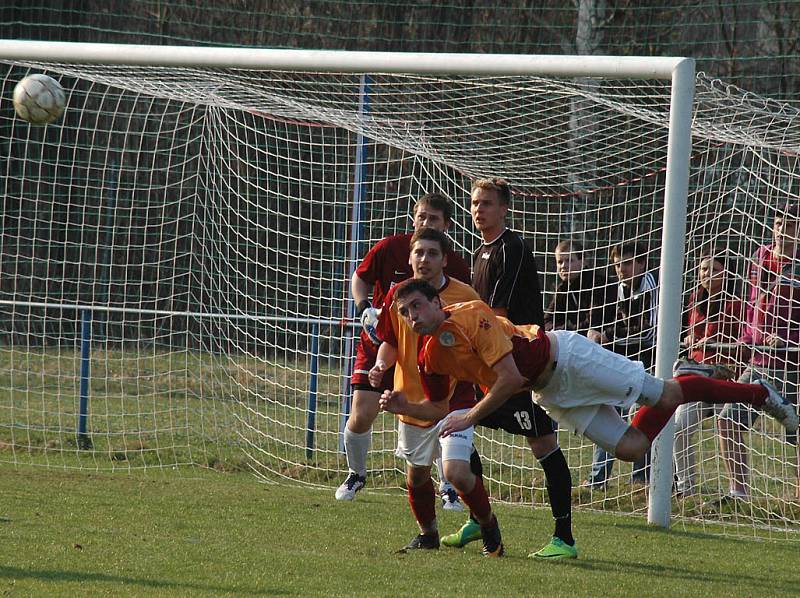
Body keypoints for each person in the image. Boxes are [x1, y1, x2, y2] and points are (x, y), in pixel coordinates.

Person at [379, 281, 798, 498]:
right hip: (552, 393)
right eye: (404, 312)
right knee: (633, 447)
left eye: (418, 305)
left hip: (569, 358)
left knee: (668, 396)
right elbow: (437, 407)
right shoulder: (429, 356)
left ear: (437, 303)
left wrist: (469, 416)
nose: (412, 315)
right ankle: (684, 379)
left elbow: (507, 379)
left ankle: (757, 393)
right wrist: (405, 403)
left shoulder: (469, 314)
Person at [457, 177, 575, 560]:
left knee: (543, 445)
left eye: (487, 203)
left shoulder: (512, 249)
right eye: (475, 202)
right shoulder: (482, 252)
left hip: (521, 367)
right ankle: (479, 514)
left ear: (504, 208)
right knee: (459, 419)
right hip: (493, 364)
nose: (479, 209)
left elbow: (498, 316)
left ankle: (564, 538)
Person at [367, 227, 504, 556]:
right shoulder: (397, 295)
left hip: (456, 398)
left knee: (455, 471)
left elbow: (485, 338)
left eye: (431, 253)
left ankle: (488, 526)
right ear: (410, 257)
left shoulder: (465, 295)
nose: (424, 259)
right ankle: (428, 534)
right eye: (418, 252)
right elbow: (390, 339)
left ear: (444, 259)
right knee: (416, 477)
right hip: (412, 399)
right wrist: (382, 366)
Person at [335, 193, 470, 506]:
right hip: (382, 341)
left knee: (438, 416)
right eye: (421, 217)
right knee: (362, 412)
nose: (425, 223)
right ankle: (356, 474)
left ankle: (447, 486)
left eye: (433, 219)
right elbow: (359, 278)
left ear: (447, 226)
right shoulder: (391, 248)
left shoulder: (456, 266)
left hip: (428, 352)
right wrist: (363, 308)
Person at [713, 203, 800, 506]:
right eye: (778, 223)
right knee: (728, 420)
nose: (781, 231)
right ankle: (739, 492)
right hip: (760, 359)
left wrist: (787, 337)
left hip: (793, 362)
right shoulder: (760, 258)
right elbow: (754, 306)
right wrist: (747, 338)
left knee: (796, 430)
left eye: (789, 225)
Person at [672, 251, 746, 497]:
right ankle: (686, 488)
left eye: (714, 269)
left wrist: (715, 341)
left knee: (726, 427)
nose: (708, 274)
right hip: (696, 378)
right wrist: (691, 339)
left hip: (722, 378)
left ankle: (737, 490)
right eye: (704, 269)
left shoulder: (735, 304)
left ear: (726, 273)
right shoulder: (695, 300)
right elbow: (691, 337)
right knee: (680, 426)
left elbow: (742, 342)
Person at [586, 242, 658, 488]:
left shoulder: (654, 287)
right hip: (620, 359)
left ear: (641, 263)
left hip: (649, 360)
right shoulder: (613, 289)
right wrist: (594, 332)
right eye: (617, 265)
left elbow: (650, 334)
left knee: (639, 413)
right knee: (606, 410)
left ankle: (641, 478)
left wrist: (610, 335)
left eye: (627, 264)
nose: (621, 270)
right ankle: (598, 479)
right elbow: (599, 319)